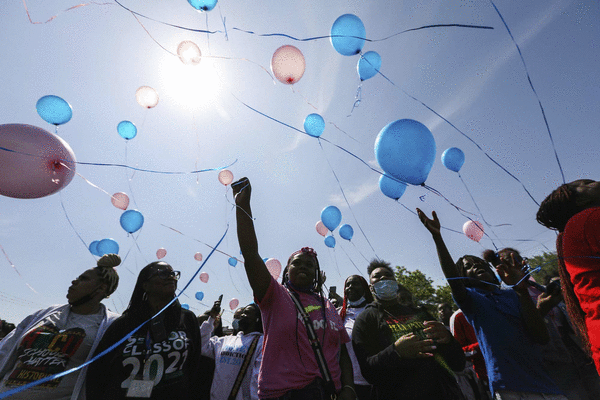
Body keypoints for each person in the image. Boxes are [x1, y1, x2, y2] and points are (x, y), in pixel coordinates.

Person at [417, 209, 565, 399]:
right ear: (464, 279)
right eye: (468, 267)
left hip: (546, 383)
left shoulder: (513, 295)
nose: (475, 266)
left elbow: (541, 337)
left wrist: (523, 292)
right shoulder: (472, 301)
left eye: (478, 263)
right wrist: (437, 237)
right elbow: (453, 278)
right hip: (509, 386)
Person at [231, 177, 355, 400]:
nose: (303, 267)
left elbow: (342, 350)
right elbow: (250, 253)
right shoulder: (274, 296)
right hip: (284, 394)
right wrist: (243, 206)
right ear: (286, 270)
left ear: (317, 274)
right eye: (297, 262)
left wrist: (348, 387)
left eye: (310, 265)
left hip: (329, 393)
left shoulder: (327, 304)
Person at [484, 248, 600, 400]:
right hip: (553, 366)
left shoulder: (540, 288)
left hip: (579, 355)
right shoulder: (507, 299)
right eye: (514, 263)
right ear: (501, 269)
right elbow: (519, 334)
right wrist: (541, 311)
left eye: (520, 259)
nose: (522, 264)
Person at [0, 254, 120, 400]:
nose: (74, 281)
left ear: (101, 289)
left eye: (84, 279)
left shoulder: (112, 325)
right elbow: (5, 350)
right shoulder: (43, 315)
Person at [86, 261, 203, 400]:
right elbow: (98, 371)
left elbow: (194, 367)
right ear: (145, 285)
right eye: (164, 273)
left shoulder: (188, 319)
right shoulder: (123, 324)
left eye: (173, 274)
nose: (171, 277)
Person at [351, 259, 466, 400]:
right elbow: (368, 372)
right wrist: (396, 352)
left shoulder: (420, 313)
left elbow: (458, 363)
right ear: (371, 288)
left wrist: (448, 340)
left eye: (388, 274)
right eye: (377, 276)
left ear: (395, 281)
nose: (383, 277)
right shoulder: (365, 320)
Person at [536, 179, 600, 374]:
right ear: (579, 200)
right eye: (587, 183)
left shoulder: (575, 228)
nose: (595, 181)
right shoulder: (590, 218)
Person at [200, 299, 263, 400]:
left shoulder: (261, 342)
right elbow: (202, 345)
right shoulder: (225, 340)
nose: (242, 316)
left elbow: (258, 380)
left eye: (246, 313)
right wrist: (211, 318)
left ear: (257, 319)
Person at [338, 275, 374, 400]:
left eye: (355, 284)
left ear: (365, 288)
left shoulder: (375, 311)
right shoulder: (339, 315)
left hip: (373, 382)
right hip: (348, 383)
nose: (351, 287)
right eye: (348, 285)